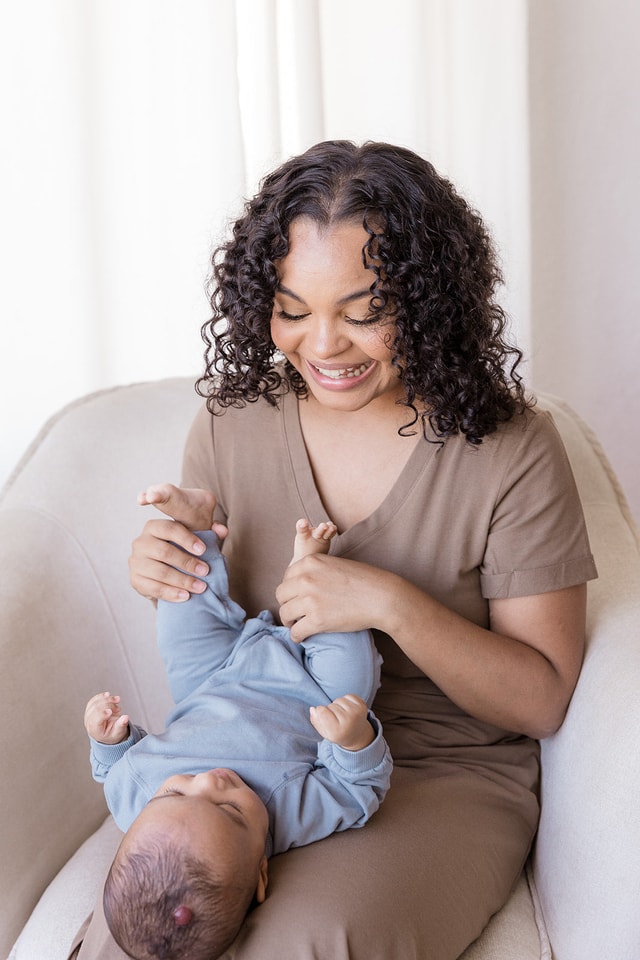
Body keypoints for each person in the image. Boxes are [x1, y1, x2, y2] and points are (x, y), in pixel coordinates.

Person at [72, 140, 598, 960]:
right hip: (243, 766)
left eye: (362, 312)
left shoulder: (510, 448)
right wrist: (165, 567)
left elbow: (542, 698)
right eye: (292, 309)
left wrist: (388, 604)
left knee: (306, 943)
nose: (324, 347)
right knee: (141, 938)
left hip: (435, 769)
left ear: (430, 301)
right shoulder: (232, 422)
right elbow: (213, 640)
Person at [83, 495, 391, 960]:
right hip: (308, 688)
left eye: (175, 793)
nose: (211, 780)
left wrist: (109, 738)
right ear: (261, 872)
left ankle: (193, 532)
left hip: (210, 680)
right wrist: (352, 741)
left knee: (179, 624)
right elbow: (357, 790)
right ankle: (312, 579)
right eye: (230, 811)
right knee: (353, 676)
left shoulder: (131, 798)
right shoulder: (292, 815)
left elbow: (114, 768)